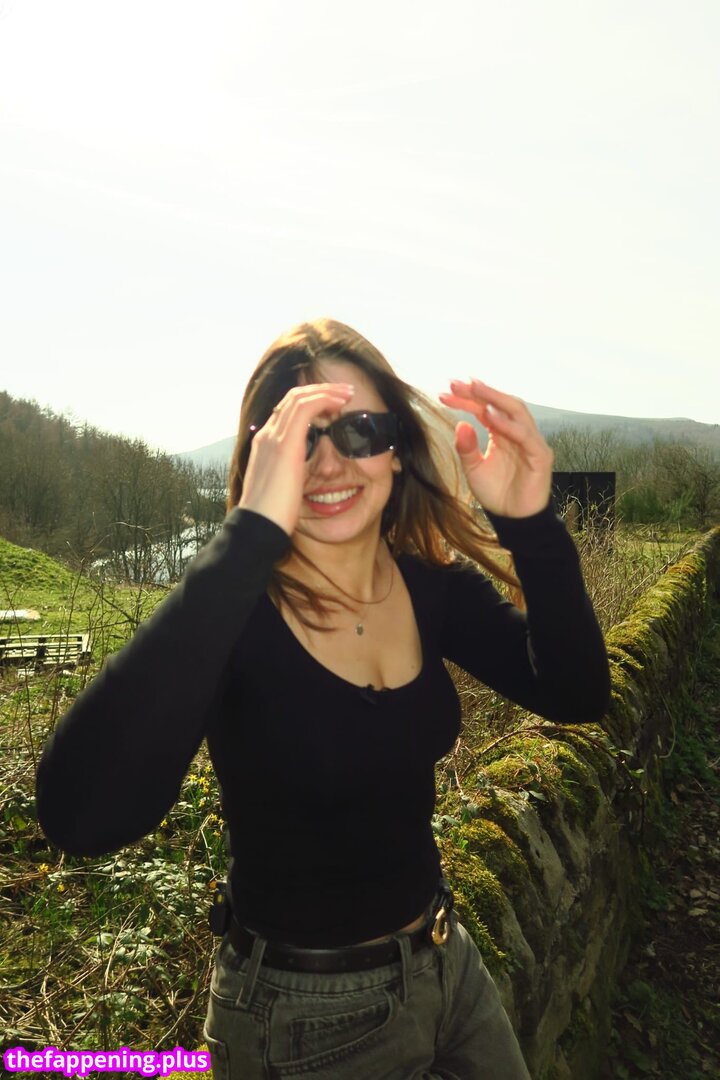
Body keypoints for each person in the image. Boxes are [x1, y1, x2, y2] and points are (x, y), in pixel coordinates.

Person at [36, 318, 611, 1079]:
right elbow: (79, 814)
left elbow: (575, 692)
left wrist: (529, 523)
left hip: (448, 965)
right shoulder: (235, 614)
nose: (331, 461)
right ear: (261, 458)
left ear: (397, 447)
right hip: (297, 1019)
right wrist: (248, 537)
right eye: (299, 438)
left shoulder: (426, 584)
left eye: (360, 430)